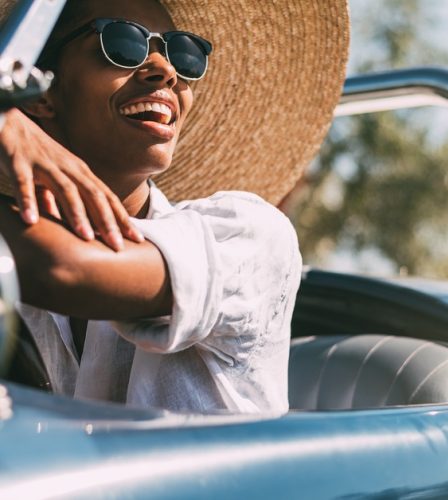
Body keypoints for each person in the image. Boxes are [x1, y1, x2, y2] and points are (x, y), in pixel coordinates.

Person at [0, 0, 349, 413]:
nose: (165, 69)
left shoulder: (249, 236)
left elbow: (62, 268)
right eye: (123, 42)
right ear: (42, 94)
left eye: (183, 53)